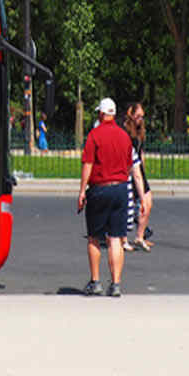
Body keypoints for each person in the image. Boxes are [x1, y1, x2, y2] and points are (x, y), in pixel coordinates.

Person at [78, 97, 146, 297]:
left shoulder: (94, 135)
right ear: (114, 114)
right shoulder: (125, 137)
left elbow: (88, 164)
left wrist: (82, 190)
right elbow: (128, 165)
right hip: (120, 189)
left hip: (99, 189)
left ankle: (96, 281)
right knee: (116, 238)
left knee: (94, 237)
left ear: (101, 113)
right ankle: (116, 284)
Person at [123, 103, 153, 252]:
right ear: (132, 114)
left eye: (142, 116)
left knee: (148, 203)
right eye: (138, 116)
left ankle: (140, 237)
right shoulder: (126, 130)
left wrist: (144, 167)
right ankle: (122, 238)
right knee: (129, 205)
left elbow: (141, 152)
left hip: (139, 170)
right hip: (130, 171)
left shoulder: (141, 130)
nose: (141, 119)